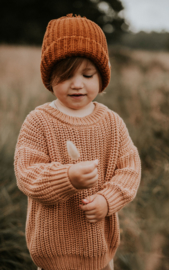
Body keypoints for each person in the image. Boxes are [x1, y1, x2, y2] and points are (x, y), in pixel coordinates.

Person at [14, 13, 141, 270]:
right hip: (52, 255)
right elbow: (27, 174)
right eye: (66, 75)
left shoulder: (112, 122)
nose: (77, 84)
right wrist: (67, 177)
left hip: (100, 252)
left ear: (101, 77)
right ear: (50, 78)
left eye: (88, 74)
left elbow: (130, 170)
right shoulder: (39, 121)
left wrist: (107, 200)